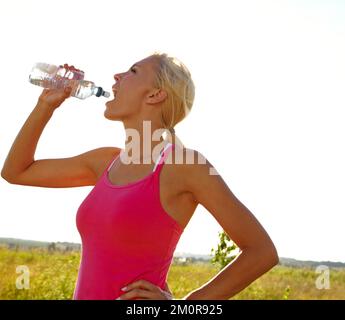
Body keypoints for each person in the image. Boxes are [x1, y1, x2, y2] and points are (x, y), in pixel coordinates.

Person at [1, 52, 278, 300]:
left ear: (155, 94)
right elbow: (15, 171)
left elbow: (261, 252)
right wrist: (45, 105)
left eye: (132, 71)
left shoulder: (186, 165)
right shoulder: (105, 162)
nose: (116, 76)